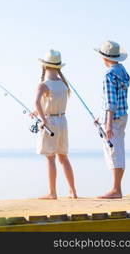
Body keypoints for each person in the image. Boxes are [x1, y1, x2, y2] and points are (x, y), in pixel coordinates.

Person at [32, 49, 77, 199]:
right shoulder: (63, 84)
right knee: (63, 157)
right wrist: (37, 112)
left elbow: (37, 102)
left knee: (50, 158)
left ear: (44, 66)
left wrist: (43, 120)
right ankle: (73, 191)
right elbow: (49, 103)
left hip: (50, 121)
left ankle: (52, 192)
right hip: (63, 121)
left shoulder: (43, 85)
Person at [94, 40, 130, 199]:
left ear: (104, 58)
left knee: (113, 151)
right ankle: (117, 188)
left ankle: (116, 189)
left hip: (113, 119)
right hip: (122, 116)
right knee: (119, 149)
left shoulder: (109, 75)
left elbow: (111, 102)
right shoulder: (123, 71)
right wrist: (100, 117)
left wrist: (107, 124)